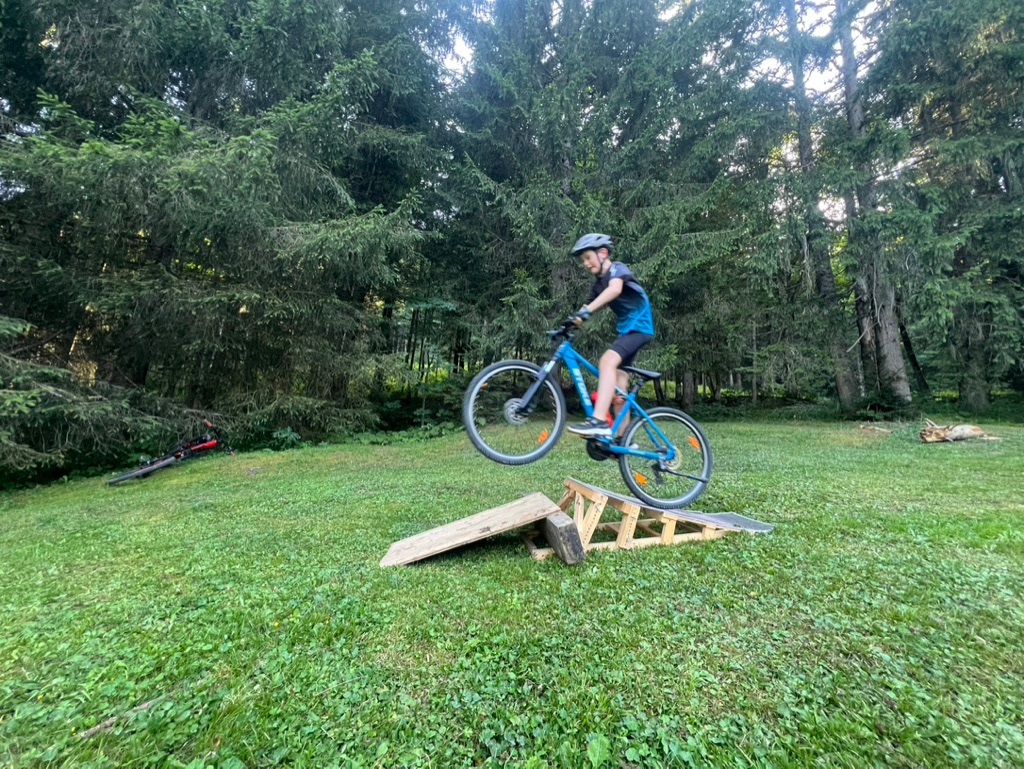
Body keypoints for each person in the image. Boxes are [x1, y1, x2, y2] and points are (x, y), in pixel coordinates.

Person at [566, 233, 654, 438]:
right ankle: (623, 439)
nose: (586, 264)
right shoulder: (598, 285)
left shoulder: (617, 269)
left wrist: (586, 312)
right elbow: (585, 309)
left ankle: (598, 421)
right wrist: (571, 322)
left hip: (639, 328)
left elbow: (614, 290)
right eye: (583, 261)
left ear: (603, 253)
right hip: (628, 330)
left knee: (606, 362)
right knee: (619, 390)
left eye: (588, 258)